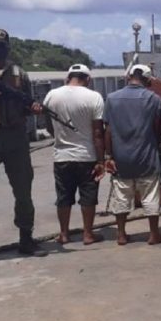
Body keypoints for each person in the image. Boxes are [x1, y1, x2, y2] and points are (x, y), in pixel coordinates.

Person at [0, 28, 46, 256]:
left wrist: (34, 108)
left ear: (8, 48)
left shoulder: (18, 74)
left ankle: (26, 238)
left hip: (16, 138)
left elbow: (27, 104)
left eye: (1, 46)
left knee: (23, 191)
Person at [104, 64, 161, 245]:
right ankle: (153, 234)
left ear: (129, 77)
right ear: (147, 80)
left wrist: (109, 156)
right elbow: (158, 128)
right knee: (150, 196)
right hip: (147, 157)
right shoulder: (153, 98)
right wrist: (154, 144)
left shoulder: (111, 98)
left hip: (120, 157)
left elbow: (107, 130)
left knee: (121, 197)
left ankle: (121, 235)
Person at [43, 64, 105, 245]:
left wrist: (60, 138)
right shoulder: (94, 97)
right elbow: (98, 133)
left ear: (67, 78)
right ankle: (88, 234)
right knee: (88, 196)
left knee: (63, 196)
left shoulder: (51, 95)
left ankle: (64, 234)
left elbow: (48, 125)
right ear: (88, 79)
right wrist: (101, 160)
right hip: (87, 156)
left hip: (62, 156)